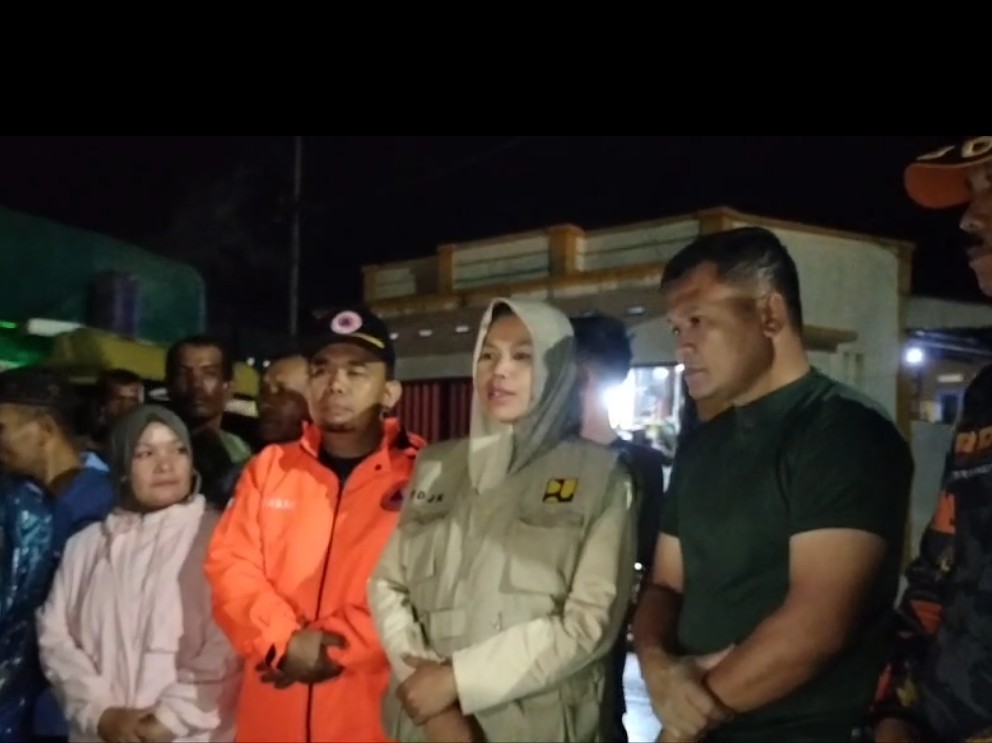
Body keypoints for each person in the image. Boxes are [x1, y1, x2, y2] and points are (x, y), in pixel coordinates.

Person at [631, 226, 913, 742]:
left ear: (770, 314)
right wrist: (656, 667)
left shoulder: (843, 431)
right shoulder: (703, 447)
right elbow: (666, 584)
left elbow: (815, 625)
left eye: (698, 320)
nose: (682, 345)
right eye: (675, 328)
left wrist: (683, 722)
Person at [369, 298, 636, 742]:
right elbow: (388, 585)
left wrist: (457, 681)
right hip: (427, 726)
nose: (500, 370)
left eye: (523, 357)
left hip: (538, 725)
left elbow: (589, 622)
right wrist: (433, 701)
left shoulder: (599, 476)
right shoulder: (437, 465)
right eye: (488, 355)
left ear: (557, 369)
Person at [204, 306, 425, 743]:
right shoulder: (270, 468)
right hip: (273, 718)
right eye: (321, 370)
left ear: (390, 391)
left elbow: (425, 587)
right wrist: (282, 642)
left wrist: (333, 648)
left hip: (373, 720)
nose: (335, 383)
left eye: (356, 371)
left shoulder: (426, 475)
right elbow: (230, 567)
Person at [873, 136, 992, 743]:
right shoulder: (986, 394)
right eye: (972, 193)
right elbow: (936, 575)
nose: (970, 218)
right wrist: (896, 714)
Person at [36, 405, 240, 743]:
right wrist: (100, 714)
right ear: (122, 466)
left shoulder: (220, 538)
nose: (165, 465)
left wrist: (170, 719)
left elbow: (230, 643)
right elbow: (55, 638)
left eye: (178, 450)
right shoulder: (85, 547)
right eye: (145, 453)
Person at [0, 367, 116, 743]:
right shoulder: (15, 500)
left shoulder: (106, 506)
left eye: (2, 429)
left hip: (72, 711)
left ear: (46, 429)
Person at [570, 312, 669, 743]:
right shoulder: (537, 461)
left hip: (600, 681)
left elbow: (648, 566)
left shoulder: (638, 467)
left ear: (581, 377)